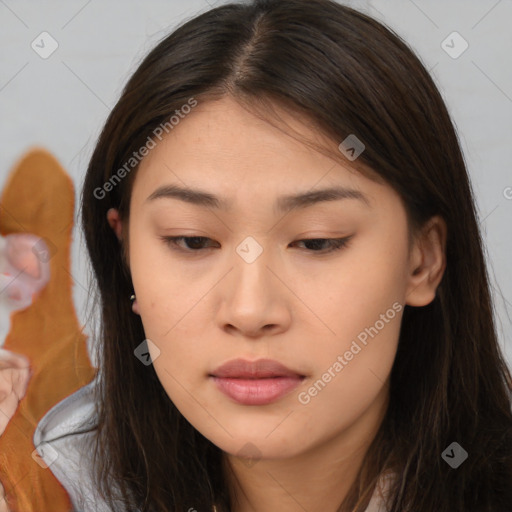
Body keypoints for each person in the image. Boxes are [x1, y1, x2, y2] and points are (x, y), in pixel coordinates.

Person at [30, 0, 512, 511]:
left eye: (317, 242)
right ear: (125, 255)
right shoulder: (37, 490)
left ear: (423, 261)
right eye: (192, 240)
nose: (249, 311)